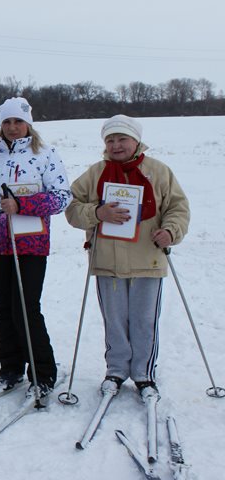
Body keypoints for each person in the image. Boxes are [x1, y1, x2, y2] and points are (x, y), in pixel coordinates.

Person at [65, 115, 189, 397]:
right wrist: (97, 213)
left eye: (122, 139)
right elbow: (71, 207)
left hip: (149, 259)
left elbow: (178, 207)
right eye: (110, 140)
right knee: (115, 319)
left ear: (136, 141)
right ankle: (116, 370)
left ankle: (144, 374)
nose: (116, 145)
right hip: (107, 259)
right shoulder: (95, 173)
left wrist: (170, 231)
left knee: (144, 319)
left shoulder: (158, 171)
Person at [0, 96, 71, 397]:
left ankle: (43, 372)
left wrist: (22, 204)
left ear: (28, 124)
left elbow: (62, 197)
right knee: (3, 307)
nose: (12, 127)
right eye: (6, 122)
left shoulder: (45, 155)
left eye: (18, 121)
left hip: (30, 243)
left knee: (26, 308)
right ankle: (10, 367)